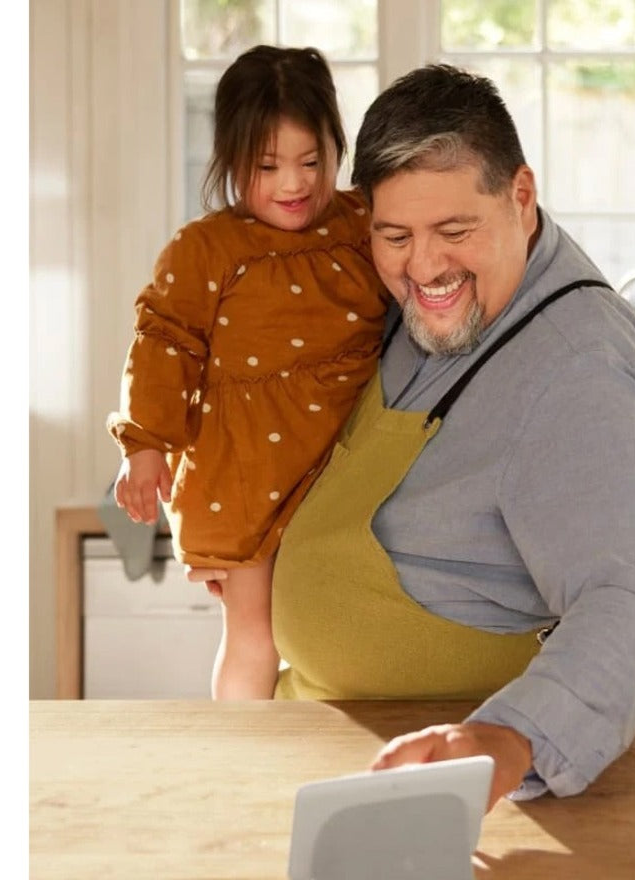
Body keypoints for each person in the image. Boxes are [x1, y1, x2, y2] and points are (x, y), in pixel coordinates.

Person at [270, 63, 635, 807]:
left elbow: (630, 598)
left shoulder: (578, 371)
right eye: (394, 234)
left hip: (442, 794)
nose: (423, 266)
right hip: (319, 744)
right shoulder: (433, 309)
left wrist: (504, 740)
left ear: (520, 198)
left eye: (454, 231)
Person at [106, 46, 389, 700]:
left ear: (335, 148)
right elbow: (162, 345)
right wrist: (145, 445)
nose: (293, 184)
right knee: (255, 635)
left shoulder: (361, 226)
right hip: (245, 480)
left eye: (310, 162)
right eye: (267, 167)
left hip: (345, 474)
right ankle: (240, 769)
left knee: (341, 632)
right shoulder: (207, 249)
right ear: (231, 160)